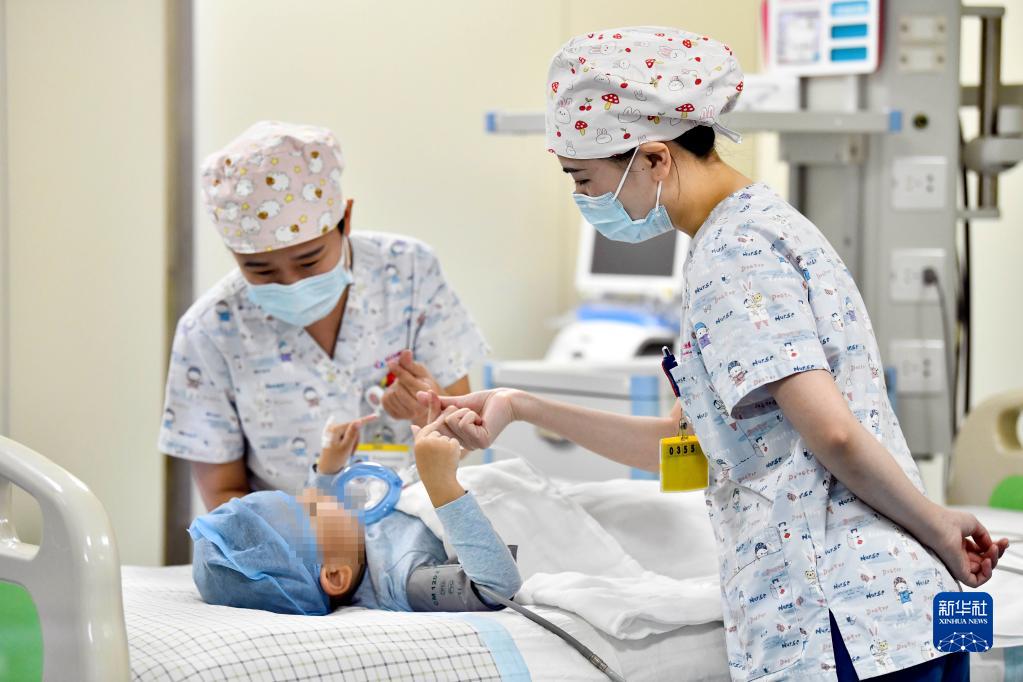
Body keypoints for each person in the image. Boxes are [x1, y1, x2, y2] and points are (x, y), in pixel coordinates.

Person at [418, 27, 1008, 681]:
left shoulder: (733, 254)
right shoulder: (755, 228)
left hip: (842, 617)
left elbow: (834, 433)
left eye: (584, 179)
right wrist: (522, 406)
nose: (585, 200)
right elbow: (690, 451)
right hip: (899, 613)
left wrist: (937, 524)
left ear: (653, 159)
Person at [158, 121, 487, 509]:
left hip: (416, 522)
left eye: (309, 261)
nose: (291, 283)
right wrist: (308, 537)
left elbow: (468, 435)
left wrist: (433, 414)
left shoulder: (409, 272)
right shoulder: (210, 331)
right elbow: (223, 496)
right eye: (260, 270)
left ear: (345, 219)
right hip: (291, 538)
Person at [188, 406, 521, 615]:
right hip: (522, 518)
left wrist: (329, 465)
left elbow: (325, 518)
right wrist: (443, 486)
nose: (313, 496)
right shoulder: (402, 580)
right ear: (335, 575)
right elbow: (494, 587)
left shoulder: (350, 544)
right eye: (306, 509)